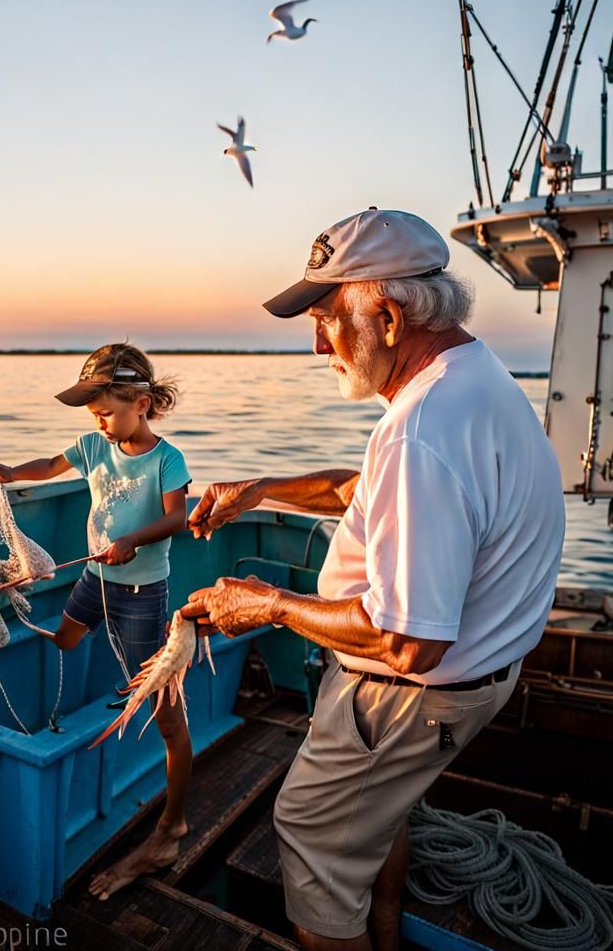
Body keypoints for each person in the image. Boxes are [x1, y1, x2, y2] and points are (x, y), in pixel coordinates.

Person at [180, 208, 565, 951]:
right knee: (378, 819)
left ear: (387, 318)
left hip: (406, 695)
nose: (316, 342)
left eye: (327, 317)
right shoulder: (469, 379)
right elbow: (371, 491)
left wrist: (266, 605)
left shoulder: (425, 429)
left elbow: (408, 639)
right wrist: (261, 489)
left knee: (313, 841)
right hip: (466, 686)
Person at [0, 341, 194, 899]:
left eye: (107, 410)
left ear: (142, 402)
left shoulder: (166, 459)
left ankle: (174, 819)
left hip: (142, 594)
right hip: (93, 580)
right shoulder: (91, 444)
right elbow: (51, 467)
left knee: (161, 708)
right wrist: (9, 472)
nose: (98, 422)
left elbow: (178, 517)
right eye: (92, 413)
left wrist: (131, 540)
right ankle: (72, 709)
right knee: (65, 639)